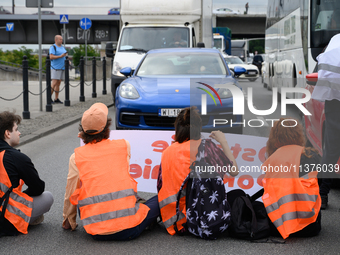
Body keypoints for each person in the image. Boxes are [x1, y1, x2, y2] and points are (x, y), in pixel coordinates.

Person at [62, 103, 160, 240]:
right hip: (129, 228)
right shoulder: (123, 146)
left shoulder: (76, 157)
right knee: (162, 197)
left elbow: (71, 191)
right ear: (107, 127)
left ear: (82, 131)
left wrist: (69, 221)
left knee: (81, 190)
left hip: (95, 230)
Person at [157, 107, 239, 235]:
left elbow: (160, 185)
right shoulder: (205, 146)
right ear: (198, 128)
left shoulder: (167, 151)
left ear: (178, 128)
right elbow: (234, 171)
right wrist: (223, 141)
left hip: (173, 221)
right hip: (198, 218)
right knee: (236, 197)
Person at [261, 118, 321, 239]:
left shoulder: (272, 161)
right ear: (298, 134)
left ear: (274, 138)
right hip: (310, 226)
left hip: (278, 227)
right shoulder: (312, 155)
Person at [0, 111, 54, 237]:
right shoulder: (16, 157)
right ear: (7, 133)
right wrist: (22, 196)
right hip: (5, 220)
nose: (19, 133)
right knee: (47, 197)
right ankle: (27, 219)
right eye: (16, 129)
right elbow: (38, 188)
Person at [311, 33, 340, 210]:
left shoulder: (335, 43)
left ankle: (322, 193)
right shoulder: (336, 43)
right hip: (336, 106)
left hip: (334, 104)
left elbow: (320, 74)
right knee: (331, 152)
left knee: (331, 151)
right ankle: (322, 192)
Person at [49, 35, 68, 104]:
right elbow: (51, 56)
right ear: (56, 40)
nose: (61, 40)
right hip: (55, 68)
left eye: (62, 39)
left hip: (62, 67)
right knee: (54, 83)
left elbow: (65, 55)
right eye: (60, 39)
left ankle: (56, 98)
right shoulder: (53, 47)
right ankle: (49, 98)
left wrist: (67, 59)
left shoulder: (62, 47)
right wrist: (60, 56)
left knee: (58, 84)